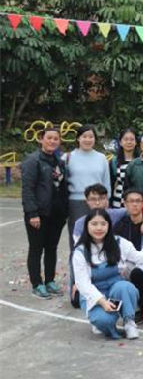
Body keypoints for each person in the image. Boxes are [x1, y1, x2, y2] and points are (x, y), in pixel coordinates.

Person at [72, 208, 143, 339]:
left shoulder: (118, 242)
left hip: (115, 288)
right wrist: (102, 302)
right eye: (94, 224)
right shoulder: (80, 252)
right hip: (94, 294)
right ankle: (105, 323)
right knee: (103, 321)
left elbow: (137, 256)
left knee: (126, 287)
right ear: (87, 226)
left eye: (103, 224)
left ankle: (129, 321)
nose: (99, 228)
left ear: (109, 225)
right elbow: (83, 284)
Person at [22, 126, 68, 298]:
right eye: (49, 138)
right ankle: (37, 284)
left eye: (56, 139)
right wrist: (32, 213)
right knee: (36, 249)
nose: (52, 141)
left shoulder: (59, 161)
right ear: (41, 139)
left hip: (56, 214)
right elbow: (27, 189)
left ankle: (50, 281)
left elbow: (62, 186)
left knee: (51, 248)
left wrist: (65, 210)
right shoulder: (32, 160)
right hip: (38, 214)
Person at [65, 124, 111, 246]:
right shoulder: (68, 157)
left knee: (98, 236)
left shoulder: (101, 158)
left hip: (98, 202)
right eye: (84, 136)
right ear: (78, 138)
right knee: (77, 237)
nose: (87, 139)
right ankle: (76, 258)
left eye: (91, 137)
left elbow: (106, 181)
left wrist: (106, 200)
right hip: (76, 203)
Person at [109, 128, 137, 208]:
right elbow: (111, 184)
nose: (129, 142)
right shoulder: (114, 162)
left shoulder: (141, 161)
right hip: (118, 202)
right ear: (120, 142)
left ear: (136, 142)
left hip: (136, 203)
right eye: (126, 139)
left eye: (132, 139)